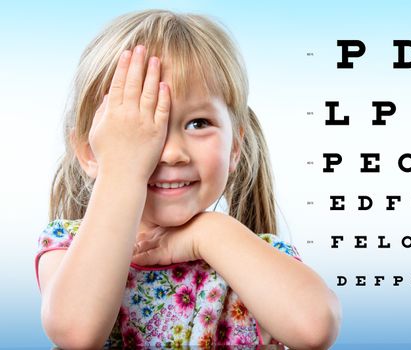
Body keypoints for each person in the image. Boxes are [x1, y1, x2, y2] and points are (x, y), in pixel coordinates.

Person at [35, 9, 341, 348]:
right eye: (142, 130)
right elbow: (77, 333)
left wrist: (208, 233)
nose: (171, 153)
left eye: (198, 123)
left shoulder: (256, 256)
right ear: (89, 152)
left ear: (235, 146)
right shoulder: (67, 246)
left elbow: (316, 328)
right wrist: (123, 170)